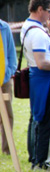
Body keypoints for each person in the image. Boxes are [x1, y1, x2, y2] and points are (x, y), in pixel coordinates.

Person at [21, 0, 50, 171]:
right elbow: (42, 62)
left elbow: (49, 51)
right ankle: (43, 161)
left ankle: (36, 158)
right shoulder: (37, 33)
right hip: (46, 80)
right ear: (39, 9)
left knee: (38, 119)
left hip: (38, 78)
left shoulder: (29, 26)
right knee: (49, 121)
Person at [0, 18, 17, 155]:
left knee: (7, 114)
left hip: (4, 79)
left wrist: (9, 72)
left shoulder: (4, 27)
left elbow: (11, 54)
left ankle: (7, 148)